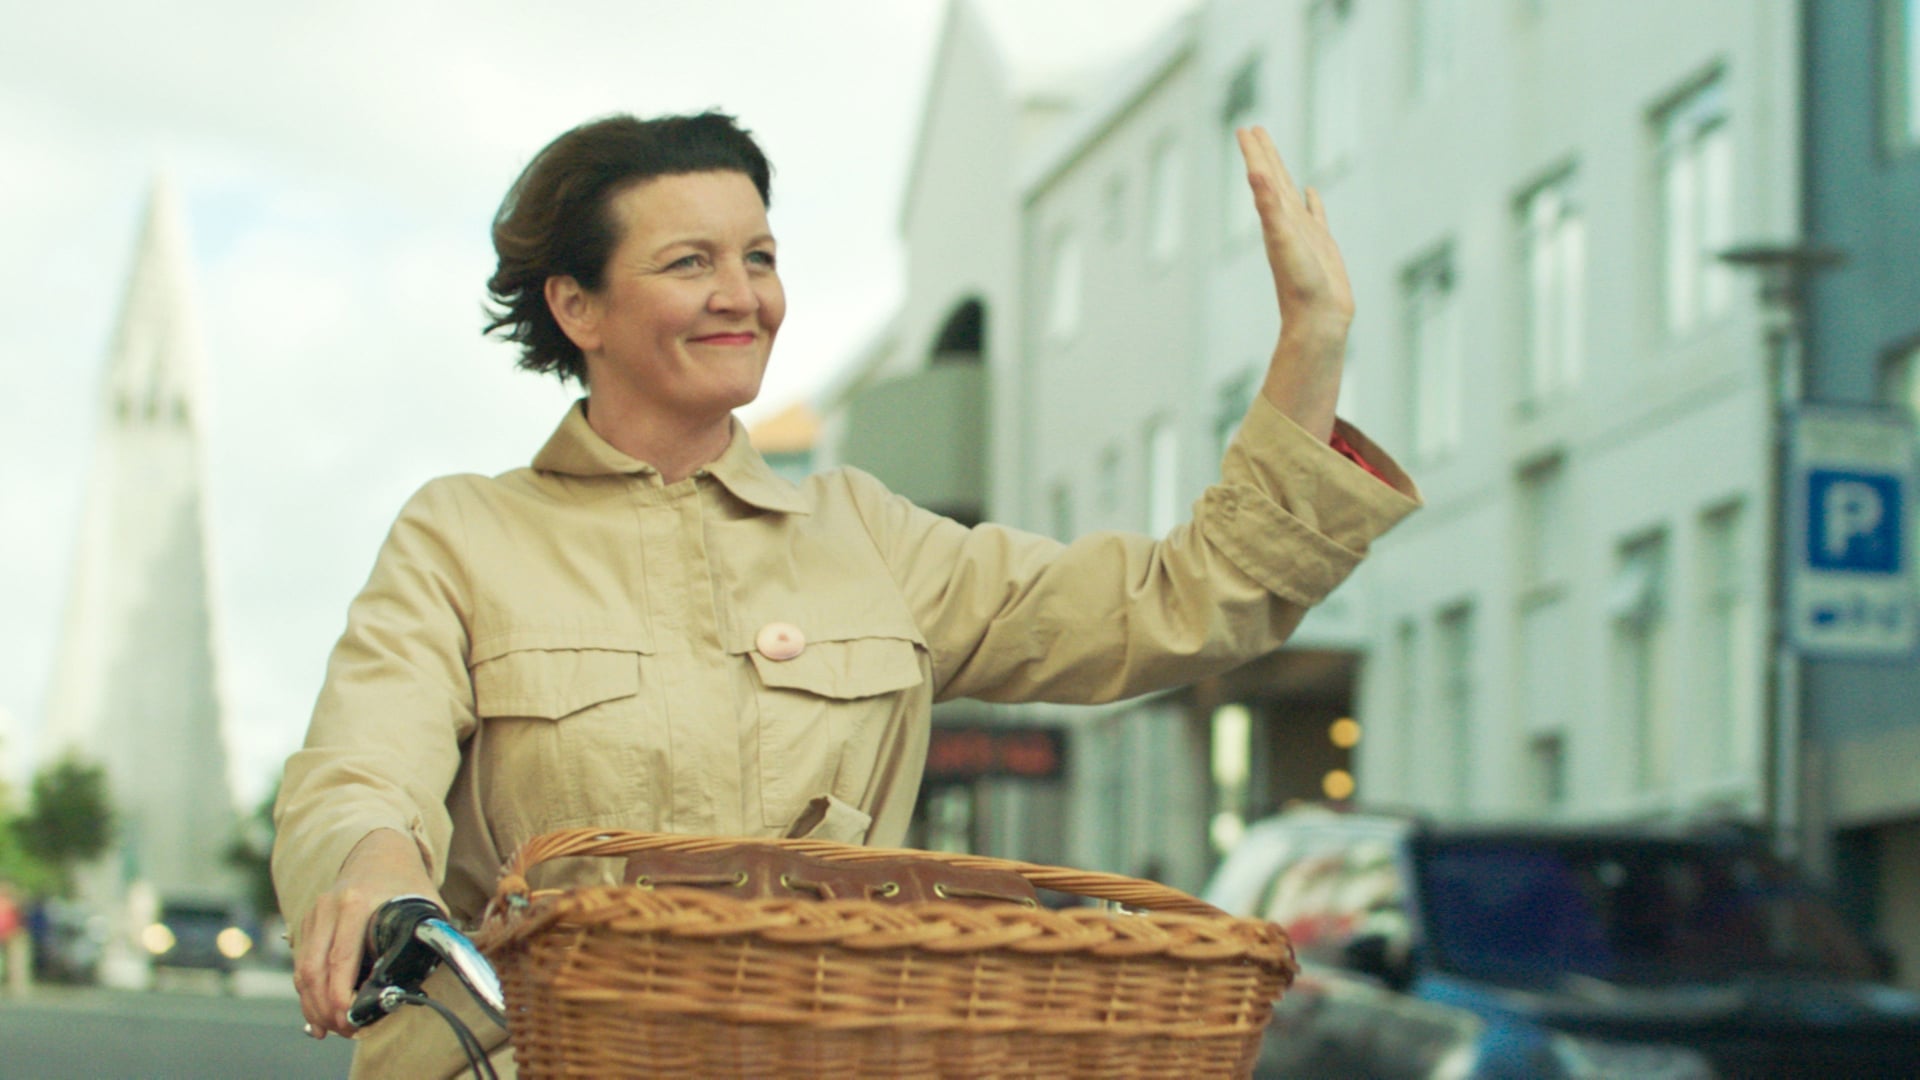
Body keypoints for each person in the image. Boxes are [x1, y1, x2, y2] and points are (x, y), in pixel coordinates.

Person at [272, 110, 1419, 1077]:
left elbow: (1174, 602)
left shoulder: (866, 536)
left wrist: (1312, 341)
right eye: (690, 264)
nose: (742, 296)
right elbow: (361, 766)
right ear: (578, 308)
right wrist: (374, 868)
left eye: (760, 258)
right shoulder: (463, 535)